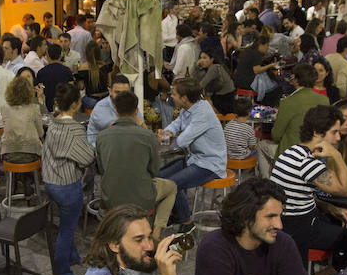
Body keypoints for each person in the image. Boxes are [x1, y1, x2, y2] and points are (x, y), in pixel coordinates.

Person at [191, 177, 317, 275]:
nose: (279, 225)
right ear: (245, 216)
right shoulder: (214, 248)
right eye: (270, 216)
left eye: (280, 215)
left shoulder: (282, 242)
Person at [270, 105, 347, 260]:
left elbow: (298, 196)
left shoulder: (291, 151)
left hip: (287, 222)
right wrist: (337, 155)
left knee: (337, 219)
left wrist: (330, 207)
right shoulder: (307, 163)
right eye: (334, 132)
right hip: (299, 229)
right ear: (316, 132)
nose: (338, 138)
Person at [95, 89, 178, 236]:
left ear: (115, 109)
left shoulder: (102, 136)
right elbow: (153, 170)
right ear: (136, 110)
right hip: (141, 197)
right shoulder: (147, 136)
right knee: (171, 187)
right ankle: (156, 233)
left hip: (110, 197)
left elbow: (102, 169)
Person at [42, 84, 94, 275]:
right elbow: (87, 157)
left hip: (50, 181)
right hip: (66, 184)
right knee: (67, 229)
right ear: (75, 104)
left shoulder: (53, 122)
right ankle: (63, 273)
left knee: (66, 224)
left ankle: (72, 257)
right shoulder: (74, 129)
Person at [158, 78, 226, 223]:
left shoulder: (202, 113)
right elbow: (176, 124)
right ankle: (175, 213)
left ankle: (186, 223)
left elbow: (182, 142)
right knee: (159, 177)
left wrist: (168, 137)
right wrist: (167, 132)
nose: (171, 96)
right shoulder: (187, 108)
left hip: (209, 164)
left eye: (174, 94)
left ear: (185, 98)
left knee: (171, 184)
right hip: (194, 159)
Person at [271, 63, 327, 155]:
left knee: (262, 146)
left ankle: (274, 169)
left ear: (296, 80)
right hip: (315, 153)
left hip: (290, 153)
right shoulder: (324, 100)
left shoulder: (287, 102)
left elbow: (276, 136)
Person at [0, 74, 44, 163]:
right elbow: (40, 133)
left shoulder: (4, 108)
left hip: (8, 153)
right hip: (31, 153)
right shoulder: (34, 108)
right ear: (29, 92)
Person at [35, 42, 75, 111]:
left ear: (47, 56)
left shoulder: (41, 72)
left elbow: (39, 93)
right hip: (64, 107)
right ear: (60, 55)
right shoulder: (67, 71)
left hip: (47, 107)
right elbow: (72, 91)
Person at [197, 48, 237, 114]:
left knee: (201, 103)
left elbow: (201, 85)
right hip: (227, 98)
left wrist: (196, 66)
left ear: (212, 59)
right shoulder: (216, 67)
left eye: (204, 58)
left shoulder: (214, 68)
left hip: (224, 101)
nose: (201, 61)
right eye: (200, 58)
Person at [75, 41, 112, 110]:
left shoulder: (81, 68)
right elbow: (109, 83)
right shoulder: (105, 66)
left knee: (79, 102)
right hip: (106, 99)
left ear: (86, 53)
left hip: (92, 101)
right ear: (99, 52)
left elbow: (81, 87)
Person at [223, 95, 258, 162]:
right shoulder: (249, 129)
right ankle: (253, 171)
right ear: (249, 113)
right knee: (257, 150)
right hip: (242, 156)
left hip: (228, 155)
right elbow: (252, 146)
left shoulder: (228, 125)